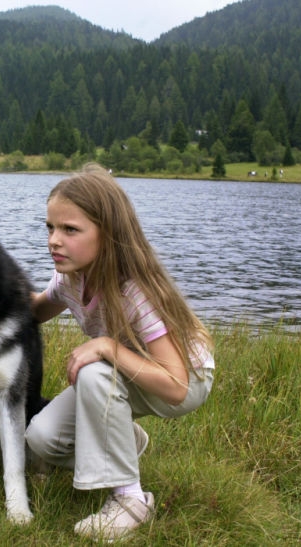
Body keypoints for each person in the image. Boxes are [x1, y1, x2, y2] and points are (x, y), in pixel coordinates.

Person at [24, 164, 215, 541]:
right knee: (42, 437)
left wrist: (107, 346)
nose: (54, 241)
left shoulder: (135, 291)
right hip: (128, 374)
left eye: (70, 230)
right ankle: (125, 443)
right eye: (50, 228)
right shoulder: (69, 277)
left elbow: (176, 386)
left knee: (95, 370)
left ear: (108, 234)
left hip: (184, 380)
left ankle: (130, 501)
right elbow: (36, 310)